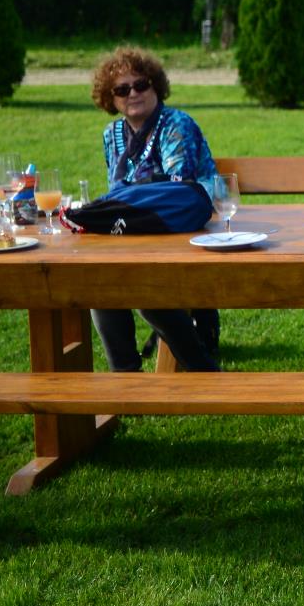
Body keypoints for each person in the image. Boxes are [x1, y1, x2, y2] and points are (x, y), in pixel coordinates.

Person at [87, 47, 223, 374]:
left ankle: (201, 366)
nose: (133, 93)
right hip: (137, 226)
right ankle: (126, 377)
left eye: (141, 84)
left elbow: (176, 186)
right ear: (111, 98)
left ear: (155, 86)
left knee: (148, 291)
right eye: (122, 89)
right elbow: (118, 189)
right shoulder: (112, 135)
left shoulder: (176, 123)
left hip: (187, 225)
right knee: (98, 284)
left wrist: (122, 202)